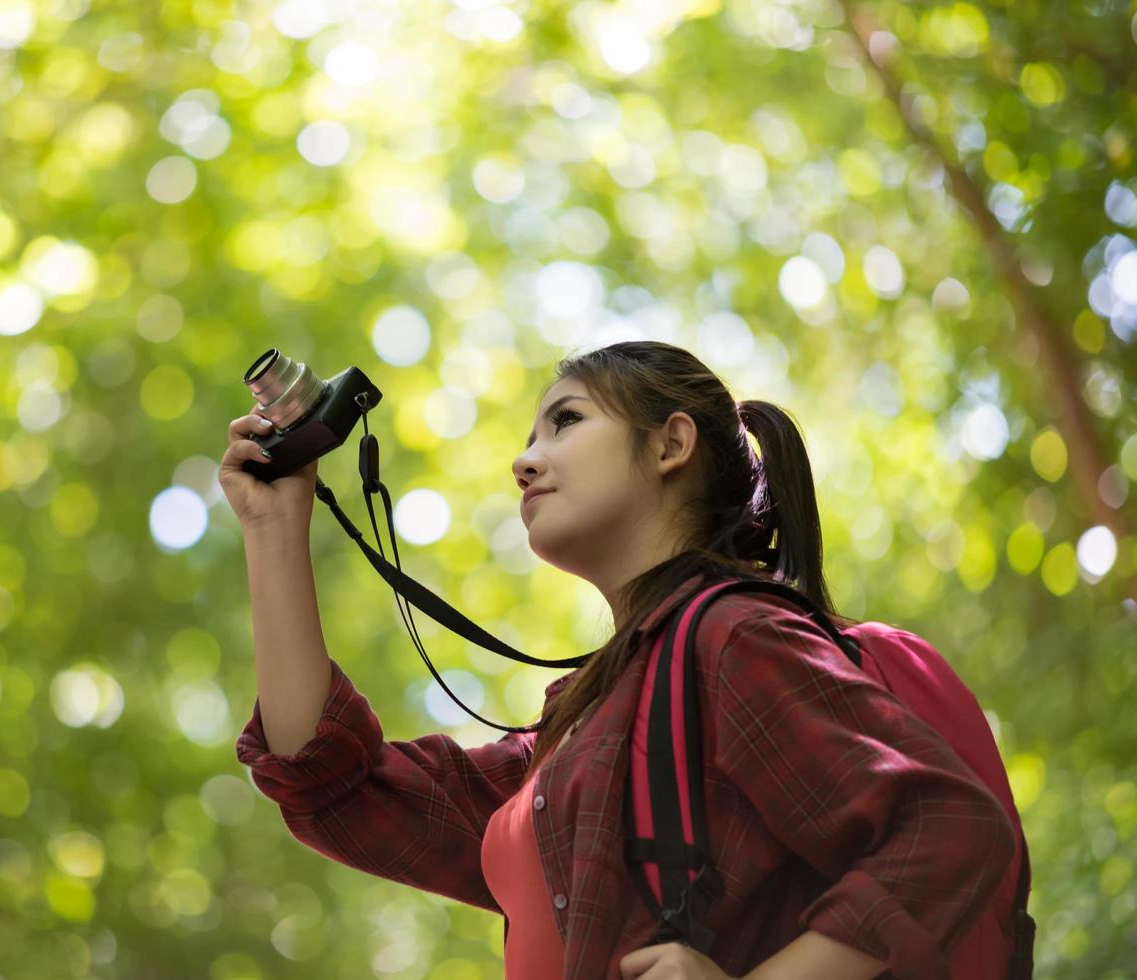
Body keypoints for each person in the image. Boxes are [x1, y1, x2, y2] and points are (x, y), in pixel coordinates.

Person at [220, 341, 1016, 980]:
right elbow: (336, 787)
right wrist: (273, 526)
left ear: (671, 443)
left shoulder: (732, 634)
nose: (523, 462)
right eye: (531, 437)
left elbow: (945, 828)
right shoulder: (578, 733)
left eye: (563, 421)